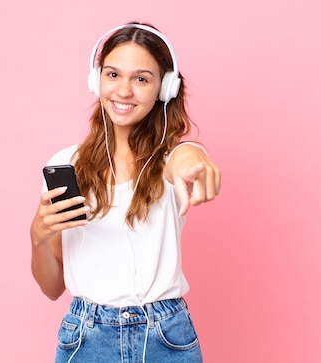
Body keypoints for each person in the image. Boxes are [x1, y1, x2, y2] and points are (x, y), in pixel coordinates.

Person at [30, 22, 221, 363]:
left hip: (165, 335)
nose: (124, 91)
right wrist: (39, 237)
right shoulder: (66, 165)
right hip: (86, 337)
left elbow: (188, 157)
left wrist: (196, 159)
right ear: (96, 80)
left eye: (142, 78)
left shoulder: (170, 160)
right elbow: (51, 288)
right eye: (113, 75)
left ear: (165, 89)